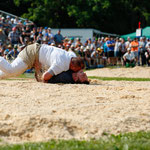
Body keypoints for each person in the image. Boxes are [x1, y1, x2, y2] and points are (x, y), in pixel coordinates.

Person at [0, 43, 85, 82]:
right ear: (73, 66)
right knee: (11, 70)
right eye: (78, 69)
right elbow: (45, 77)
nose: (78, 71)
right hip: (32, 54)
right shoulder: (60, 65)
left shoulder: (71, 56)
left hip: (35, 51)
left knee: (10, 73)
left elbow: (71, 51)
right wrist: (39, 69)